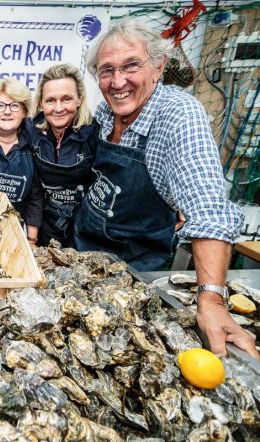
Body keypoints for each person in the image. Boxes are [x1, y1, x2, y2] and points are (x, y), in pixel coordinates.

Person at [75, 20, 256, 359]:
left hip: (137, 271)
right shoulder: (103, 112)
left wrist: (212, 299)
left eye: (131, 66)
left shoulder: (178, 115)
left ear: (158, 66)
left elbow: (208, 207)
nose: (117, 82)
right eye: (106, 71)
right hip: (83, 254)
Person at [25, 63, 96, 248]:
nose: (58, 108)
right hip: (47, 226)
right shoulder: (31, 129)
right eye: (50, 100)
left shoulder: (95, 133)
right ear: (41, 103)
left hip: (84, 230)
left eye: (66, 99)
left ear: (79, 99)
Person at [0, 78, 43, 241]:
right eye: (0, 106)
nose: (7, 112)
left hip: (14, 233)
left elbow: (34, 199)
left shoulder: (33, 148)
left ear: (24, 111)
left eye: (15, 105)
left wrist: (31, 241)